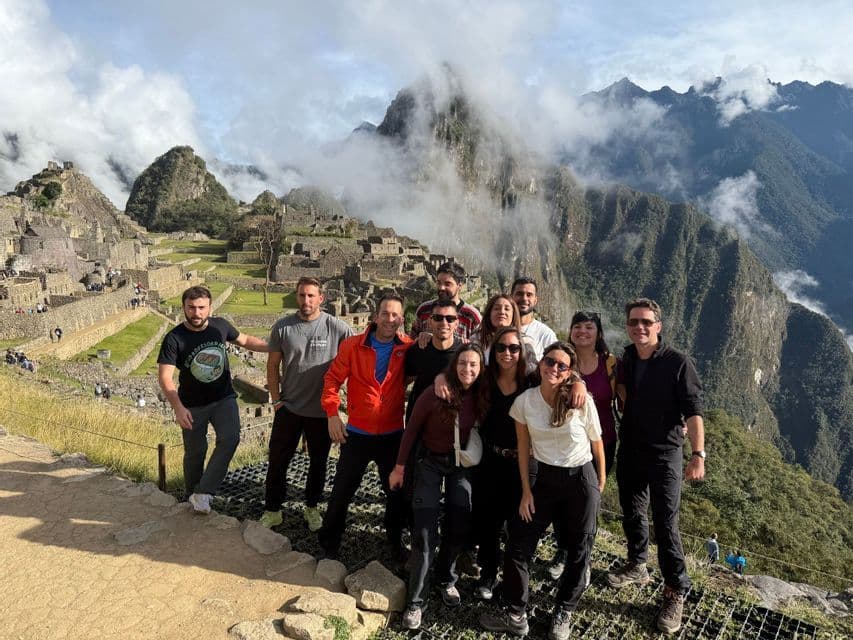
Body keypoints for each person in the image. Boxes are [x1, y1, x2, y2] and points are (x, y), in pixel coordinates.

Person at [480, 341, 604, 640]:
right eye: (550, 362)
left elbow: (596, 441)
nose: (554, 369)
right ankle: (516, 613)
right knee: (518, 545)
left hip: (580, 478)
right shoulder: (525, 402)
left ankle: (564, 611)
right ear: (541, 363)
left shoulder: (581, 400)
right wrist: (526, 491)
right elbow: (524, 449)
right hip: (544, 478)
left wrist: (599, 484)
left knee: (579, 549)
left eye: (562, 366)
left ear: (570, 372)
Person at [606, 298, 705, 635]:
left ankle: (676, 588)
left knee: (666, 524)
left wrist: (698, 454)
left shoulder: (678, 363)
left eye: (646, 322)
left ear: (658, 326)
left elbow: (693, 411)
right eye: (634, 322)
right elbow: (620, 386)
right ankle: (637, 564)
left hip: (665, 454)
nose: (640, 327)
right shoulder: (629, 358)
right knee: (632, 512)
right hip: (632, 448)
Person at [391, 344, 489, 630]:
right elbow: (411, 431)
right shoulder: (436, 392)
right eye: (462, 364)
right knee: (423, 532)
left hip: (461, 465)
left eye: (473, 364)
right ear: (453, 366)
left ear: (481, 368)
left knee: (459, 521)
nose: (467, 370)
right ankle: (416, 600)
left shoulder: (483, 394)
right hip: (430, 463)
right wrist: (399, 467)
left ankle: (446, 576)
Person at [318, 293, 413, 561]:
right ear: (375, 316)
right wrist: (332, 414)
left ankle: (394, 541)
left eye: (395, 315)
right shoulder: (352, 346)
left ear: (401, 319)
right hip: (357, 433)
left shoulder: (407, 348)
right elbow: (332, 380)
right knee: (341, 491)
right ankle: (329, 544)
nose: (390, 320)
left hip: (392, 435)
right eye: (385, 314)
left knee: (395, 493)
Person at [157, 286, 269, 514]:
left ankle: (204, 492)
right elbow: (165, 377)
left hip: (223, 398)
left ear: (210, 307)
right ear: (183, 308)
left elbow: (245, 340)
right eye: (191, 308)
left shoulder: (220, 326)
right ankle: (193, 496)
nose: (196, 313)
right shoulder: (174, 338)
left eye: (201, 308)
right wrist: (178, 408)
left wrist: (274, 347)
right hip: (191, 404)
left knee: (230, 438)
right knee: (195, 453)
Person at [259, 277, 353, 531]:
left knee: (319, 463)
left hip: (322, 412)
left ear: (321, 298)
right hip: (289, 408)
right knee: (278, 461)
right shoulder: (283, 328)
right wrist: (276, 400)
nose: (306, 301)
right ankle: (274, 509)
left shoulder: (338, 328)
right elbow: (272, 365)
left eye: (311, 296)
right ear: (296, 296)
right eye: (302, 295)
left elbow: (356, 359)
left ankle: (311, 507)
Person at [473, 326, 531, 601]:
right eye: (501, 347)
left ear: (522, 353)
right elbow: (455, 375)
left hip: (522, 463)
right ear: (493, 351)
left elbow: (565, 374)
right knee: (488, 520)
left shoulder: (531, 382)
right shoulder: (484, 380)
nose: (507, 353)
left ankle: (512, 578)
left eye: (514, 348)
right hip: (490, 459)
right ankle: (488, 571)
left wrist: (578, 383)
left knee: (518, 524)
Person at [404, 300, 463, 423]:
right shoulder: (418, 350)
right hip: (420, 423)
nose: (444, 323)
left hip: (451, 425)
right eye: (438, 318)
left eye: (450, 319)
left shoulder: (464, 354)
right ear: (430, 322)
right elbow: (404, 382)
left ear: (457, 323)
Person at [410, 262, 481, 341]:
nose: (441, 288)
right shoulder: (423, 310)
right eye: (439, 283)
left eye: (447, 284)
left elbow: (479, 348)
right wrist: (421, 338)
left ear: (459, 286)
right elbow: (411, 341)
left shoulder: (472, 316)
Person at [510, 277, 557, 363]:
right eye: (519, 294)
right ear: (511, 297)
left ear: (535, 300)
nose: (524, 298)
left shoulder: (546, 335)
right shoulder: (501, 328)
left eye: (529, 295)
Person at [471, 294, 523, 365]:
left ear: (513, 314)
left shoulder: (523, 341)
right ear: (489, 313)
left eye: (507, 309)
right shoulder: (477, 339)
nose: (502, 312)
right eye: (497, 308)